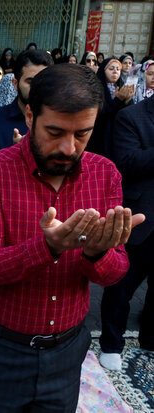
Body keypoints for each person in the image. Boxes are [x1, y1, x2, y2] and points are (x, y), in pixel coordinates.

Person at [0, 63, 144, 412]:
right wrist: (47, 246)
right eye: (55, 131)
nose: (68, 148)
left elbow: (115, 272)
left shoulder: (105, 175)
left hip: (66, 351)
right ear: (30, 115)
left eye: (82, 134)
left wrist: (95, 254)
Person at [98, 95, 154, 370]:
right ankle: (111, 344)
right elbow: (126, 162)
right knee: (120, 289)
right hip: (140, 218)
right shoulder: (131, 116)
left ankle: (150, 341)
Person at [0, 49, 52, 160]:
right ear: (15, 84)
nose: (37, 88)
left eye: (44, 82)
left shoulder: (59, 121)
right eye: (30, 82)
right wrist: (14, 153)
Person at [88, 58, 135, 156]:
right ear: (103, 71)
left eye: (118, 69)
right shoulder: (95, 88)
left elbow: (128, 113)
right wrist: (118, 99)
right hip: (99, 134)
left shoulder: (121, 87)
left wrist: (128, 101)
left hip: (116, 134)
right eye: (111, 69)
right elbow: (101, 111)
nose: (115, 72)